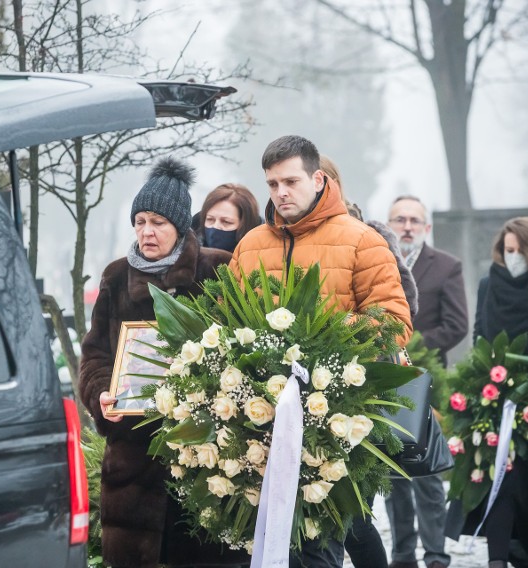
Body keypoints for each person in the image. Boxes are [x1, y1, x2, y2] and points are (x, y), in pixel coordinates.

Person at [229, 135, 413, 567]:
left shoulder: (361, 240)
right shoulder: (251, 244)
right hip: (262, 422)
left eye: (290, 181)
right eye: (272, 184)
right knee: (278, 547)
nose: (281, 193)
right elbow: (227, 320)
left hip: (340, 422)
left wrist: (322, 336)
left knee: (319, 546)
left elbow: (394, 323)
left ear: (317, 178)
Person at [78, 157, 246, 568]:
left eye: (158, 222)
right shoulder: (116, 277)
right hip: (133, 458)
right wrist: (101, 392)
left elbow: (242, 346)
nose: (147, 231)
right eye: (140, 221)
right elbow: (95, 352)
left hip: (205, 454)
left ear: (179, 226)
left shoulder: (215, 270)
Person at [450, 216, 528, 568]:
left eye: (520, 250)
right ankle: (499, 557)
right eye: (508, 250)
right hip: (497, 399)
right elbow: (479, 335)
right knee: (502, 476)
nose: (513, 256)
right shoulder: (490, 285)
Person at [318, 156, 417, 568]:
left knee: (353, 518)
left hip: (360, 395)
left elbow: (399, 312)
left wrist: (336, 323)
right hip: (306, 395)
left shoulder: (369, 235)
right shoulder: (280, 238)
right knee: (319, 519)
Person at [384, 195, 468, 568]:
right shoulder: (379, 260)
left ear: (426, 228)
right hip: (386, 380)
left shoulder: (446, 266)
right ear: (388, 224)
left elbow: (456, 324)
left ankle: (436, 555)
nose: (406, 226)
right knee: (392, 468)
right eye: (399, 219)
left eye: (414, 220)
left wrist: (412, 344)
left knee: (428, 471)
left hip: (428, 380)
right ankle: (403, 553)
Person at [193, 182, 261, 252]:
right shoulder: (185, 254)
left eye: (226, 222)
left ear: (245, 225)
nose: (216, 226)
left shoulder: (263, 259)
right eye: (210, 219)